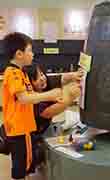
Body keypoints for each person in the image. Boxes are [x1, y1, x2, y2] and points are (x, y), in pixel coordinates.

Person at [2, 32, 65, 180]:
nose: (32, 54)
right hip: (19, 129)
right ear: (19, 54)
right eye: (30, 50)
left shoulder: (21, 73)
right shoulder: (13, 73)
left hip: (23, 128)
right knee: (21, 166)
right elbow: (24, 98)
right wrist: (50, 95)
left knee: (25, 163)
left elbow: (29, 97)